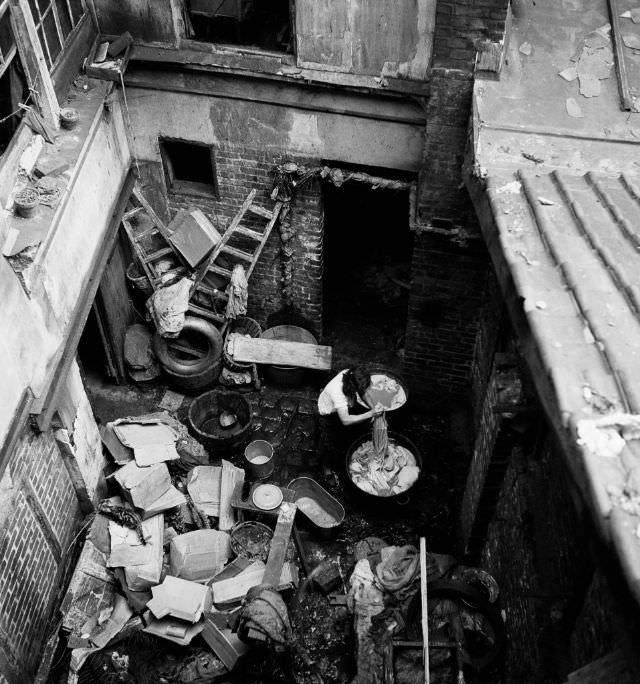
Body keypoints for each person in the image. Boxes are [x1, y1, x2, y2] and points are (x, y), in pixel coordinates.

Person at [317, 366, 383, 478]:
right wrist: (371, 413)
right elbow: (346, 420)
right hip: (328, 415)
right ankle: (326, 469)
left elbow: (363, 393)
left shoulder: (351, 374)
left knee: (347, 436)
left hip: (344, 408)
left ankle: (346, 452)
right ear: (353, 387)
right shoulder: (338, 392)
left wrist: (374, 407)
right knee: (329, 443)